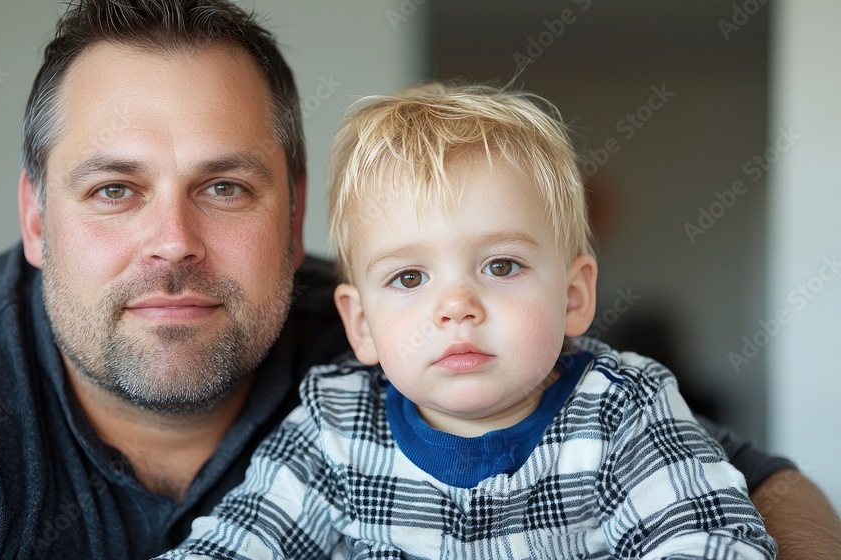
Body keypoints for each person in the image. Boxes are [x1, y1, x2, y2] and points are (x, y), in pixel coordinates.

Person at [0, 1, 837, 559]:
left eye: (224, 187)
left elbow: (759, 496)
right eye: (114, 189)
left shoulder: (520, 372)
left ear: (293, 216)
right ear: (34, 217)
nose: (171, 241)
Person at [160, 84, 776, 559]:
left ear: (573, 296)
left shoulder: (620, 410)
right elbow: (238, 543)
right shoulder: (337, 424)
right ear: (362, 324)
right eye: (410, 278)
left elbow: (713, 542)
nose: (456, 306)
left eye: (501, 266)